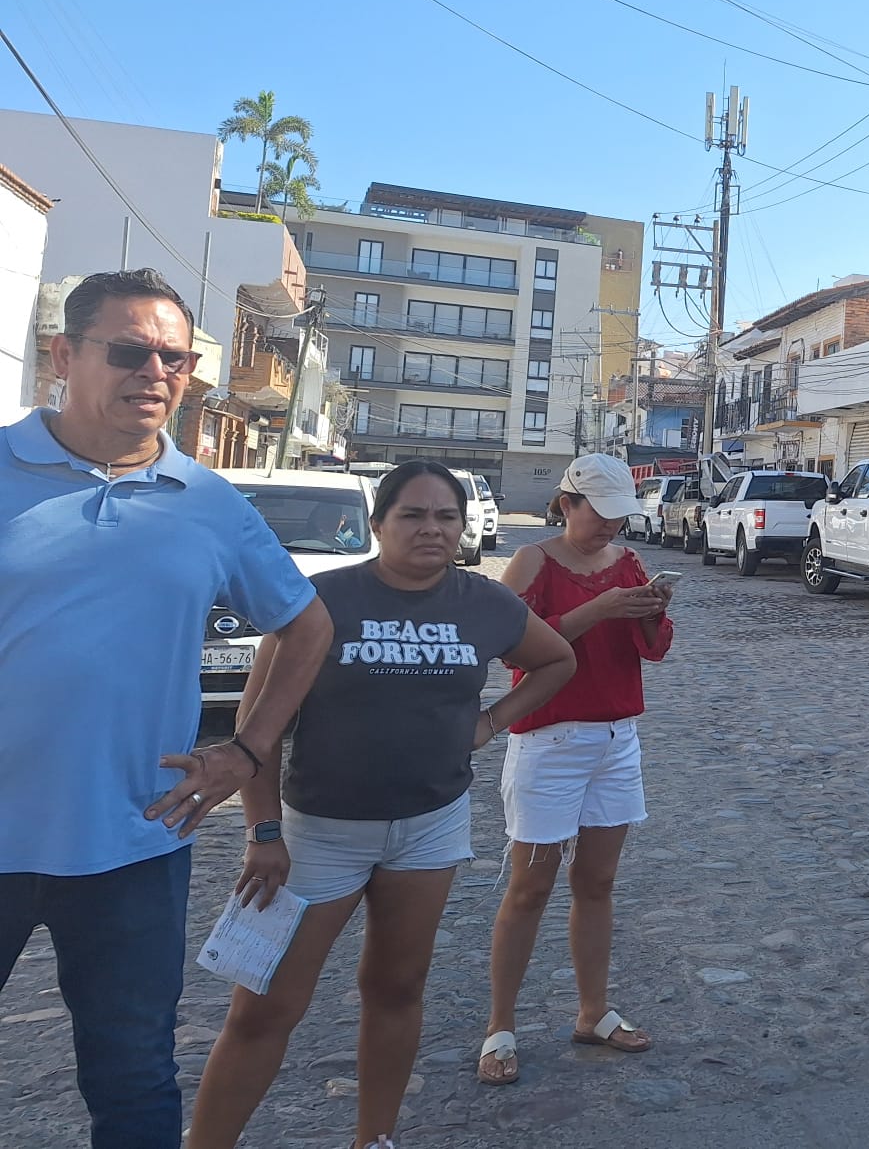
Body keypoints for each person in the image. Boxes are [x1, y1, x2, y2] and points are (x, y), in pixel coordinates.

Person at [0, 268, 334, 1149]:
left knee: (135, 1079)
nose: (156, 372)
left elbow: (307, 630)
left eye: (175, 359)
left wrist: (248, 752)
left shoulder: (210, 503)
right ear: (63, 356)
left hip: (135, 843)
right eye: (130, 351)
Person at [187, 462, 575, 1149]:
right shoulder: (318, 600)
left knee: (396, 988)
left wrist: (489, 723)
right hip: (317, 835)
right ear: (379, 524)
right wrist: (263, 831)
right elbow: (257, 731)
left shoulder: (484, 603)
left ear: (464, 526)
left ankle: (376, 1139)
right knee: (263, 1009)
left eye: (446, 517)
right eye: (413, 515)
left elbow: (555, 660)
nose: (431, 528)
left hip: (429, 829)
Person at [481, 452, 675, 1084]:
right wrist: (601, 609)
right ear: (568, 503)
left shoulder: (626, 564)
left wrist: (650, 610)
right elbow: (506, 643)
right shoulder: (533, 562)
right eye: (602, 514)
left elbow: (654, 650)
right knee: (530, 886)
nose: (612, 528)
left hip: (616, 738)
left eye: (621, 517)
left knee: (597, 883)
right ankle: (499, 1026)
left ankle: (593, 1011)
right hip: (549, 740)